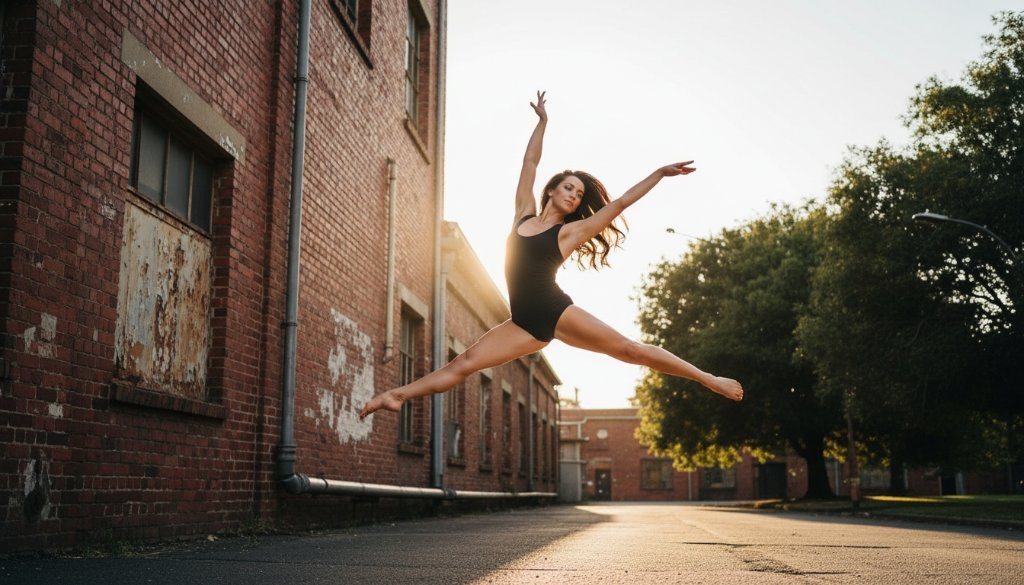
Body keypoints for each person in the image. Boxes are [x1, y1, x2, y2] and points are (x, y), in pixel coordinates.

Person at [360, 91, 742, 418]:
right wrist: (543, 122)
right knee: (464, 364)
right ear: (553, 190)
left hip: (555, 309)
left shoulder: (571, 232)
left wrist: (658, 173)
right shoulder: (522, 214)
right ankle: (397, 395)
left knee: (628, 349)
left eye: (579, 194)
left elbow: (621, 202)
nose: (574, 195)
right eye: (569, 188)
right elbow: (529, 163)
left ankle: (708, 379)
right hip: (522, 322)